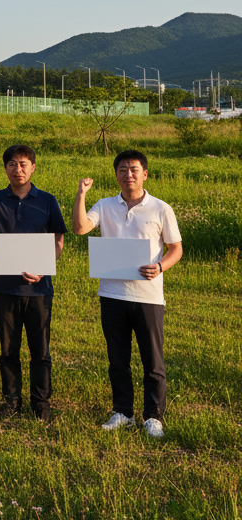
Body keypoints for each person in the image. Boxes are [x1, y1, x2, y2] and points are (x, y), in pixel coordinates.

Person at [72, 150, 182, 439]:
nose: (128, 174)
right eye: (122, 169)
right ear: (116, 174)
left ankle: (153, 416)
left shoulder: (161, 208)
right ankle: (123, 412)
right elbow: (80, 228)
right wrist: (81, 195)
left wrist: (160, 267)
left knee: (152, 361)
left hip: (148, 297)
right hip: (111, 294)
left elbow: (176, 249)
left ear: (145, 174)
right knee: (117, 359)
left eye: (134, 169)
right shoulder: (105, 205)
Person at [0, 145, 66, 422]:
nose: (18, 169)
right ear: (5, 169)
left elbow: (57, 240)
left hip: (39, 288)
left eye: (23, 164)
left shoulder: (47, 200)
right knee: (8, 350)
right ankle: (11, 401)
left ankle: (41, 404)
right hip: (4, 287)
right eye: (12, 164)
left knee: (41, 350)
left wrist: (43, 268)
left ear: (33, 167)